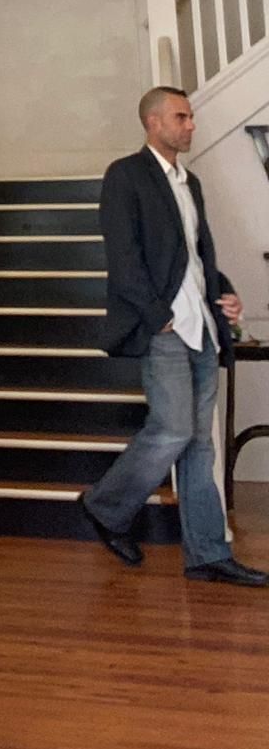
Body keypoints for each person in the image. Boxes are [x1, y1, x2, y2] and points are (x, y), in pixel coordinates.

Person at [80, 85, 267, 586]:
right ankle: (105, 505)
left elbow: (197, 256)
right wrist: (157, 313)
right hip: (164, 327)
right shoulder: (126, 175)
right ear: (153, 122)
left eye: (190, 117)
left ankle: (208, 553)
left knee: (199, 444)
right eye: (181, 117)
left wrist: (223, 292)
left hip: (202, 327)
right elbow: (123, 257)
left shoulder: (192, 183)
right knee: (173, 429)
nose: (191, 125)